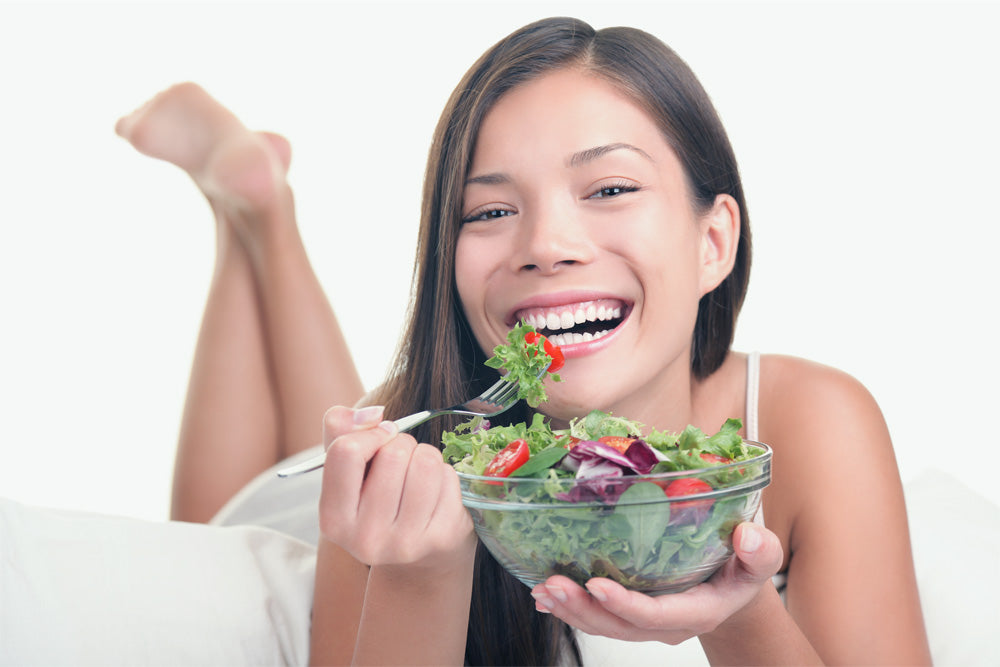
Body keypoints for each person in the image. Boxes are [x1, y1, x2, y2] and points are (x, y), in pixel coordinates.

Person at [117, 16, 931, 666]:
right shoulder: (417, 456)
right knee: (211, 531)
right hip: (332, 514)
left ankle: (257, 205)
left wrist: (738, 606)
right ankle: (251, 215)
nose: (547, 243)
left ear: (713, 241)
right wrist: (417, 571)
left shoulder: (812, 423)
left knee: (361, 407)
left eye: (610, 188)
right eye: (490, 210)